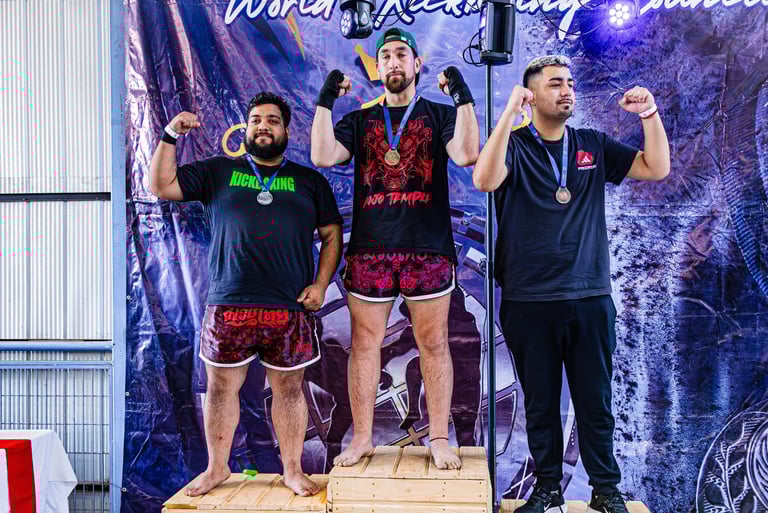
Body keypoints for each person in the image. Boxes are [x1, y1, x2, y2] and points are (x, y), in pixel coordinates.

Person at [472, 55, 670, 513]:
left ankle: (605, 489)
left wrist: (649, 114)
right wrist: (509, 114)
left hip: (589, 296)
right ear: (531, 94)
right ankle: (546, 488)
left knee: (595, 401)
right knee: (540, 403)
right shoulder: (513, 146)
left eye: (570, 84)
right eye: (555, 84)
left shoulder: (591, 145)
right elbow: (484, 179)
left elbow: (656, 167)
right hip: (528, 299)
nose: (567, 91)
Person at [148, 92, 343, 497]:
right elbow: (161, 185)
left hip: (288, 306)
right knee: (220, 390)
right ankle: (216, 468)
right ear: (245, 128)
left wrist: (321, 284)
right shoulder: (218, 171)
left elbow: (331, 235)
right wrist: (170, 134)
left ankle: (292, 470)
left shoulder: (310, 181)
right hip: (229, 303)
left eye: (272, 120)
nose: (263, 126)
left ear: (286, 130)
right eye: (256, 120)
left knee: (289, 391)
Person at [310, 27, 480, 470]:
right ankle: (363, 438)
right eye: (385, 56)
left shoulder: (439, 113)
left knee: (434, 343)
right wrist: (325, 101)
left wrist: (462, 95)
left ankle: (438, 439)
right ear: (378, 66)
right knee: (364, 344)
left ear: (416, 64)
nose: (393, 62)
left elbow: (466, 154)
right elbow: (323, 156)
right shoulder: (361, 120)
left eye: (402, 54)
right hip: (371, 251)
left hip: (427, 249)